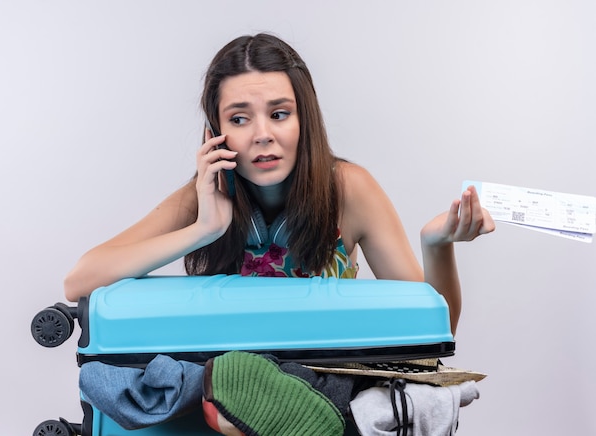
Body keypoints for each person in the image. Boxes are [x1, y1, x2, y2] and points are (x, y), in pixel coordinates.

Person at [67, 32, 495, 435]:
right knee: (137, 378)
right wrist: (204, 228)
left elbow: (428, 338)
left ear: (304, 119)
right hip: (222, 378)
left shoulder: (348, 188)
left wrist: (436, 246)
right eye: (239, 118)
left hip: (326, 378)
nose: (262, 134)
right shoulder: (204, 196)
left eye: (279, 114)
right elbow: (79, 281)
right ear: (214, 134)